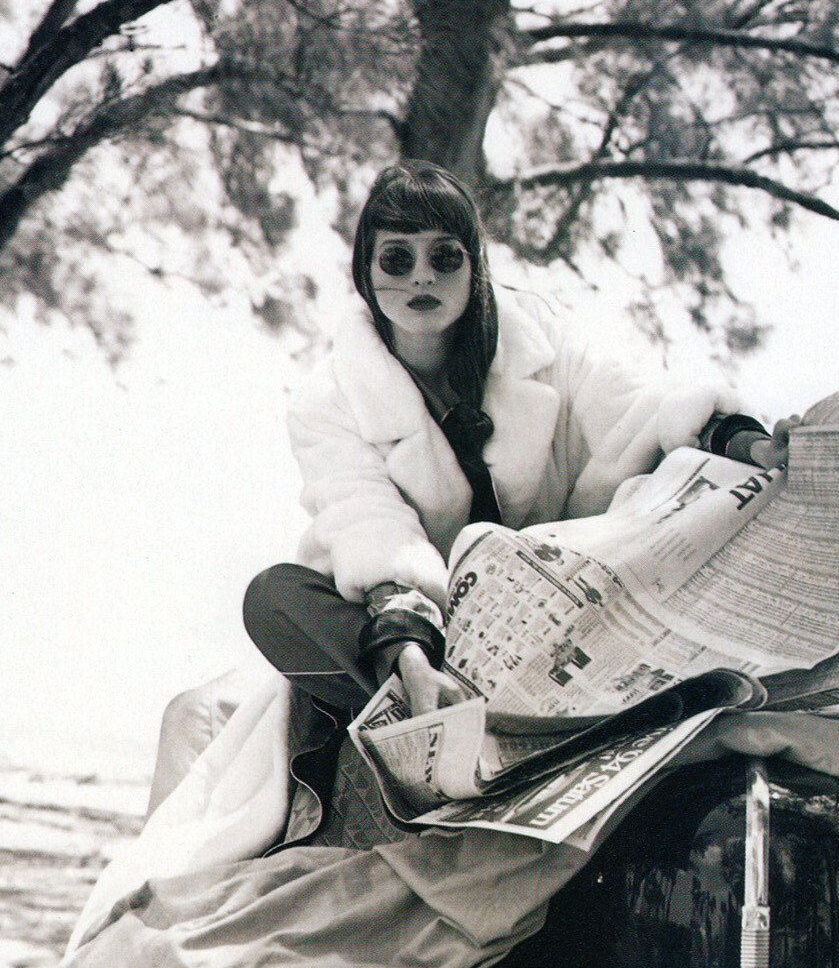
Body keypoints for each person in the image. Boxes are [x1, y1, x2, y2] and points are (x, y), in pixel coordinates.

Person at [243, 162, 778, 742]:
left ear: (474, 265)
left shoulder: (539, 332)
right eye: (397, 259)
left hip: (561, 608)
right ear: (365, 274)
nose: (422, 277)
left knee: (679, 487)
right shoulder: (327, 397)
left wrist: (747, 441)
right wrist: (408, 655)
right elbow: (367, 523)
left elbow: (639, 404)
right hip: (422, 632)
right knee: (274, 596)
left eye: (444, 257)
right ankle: (425, 705)